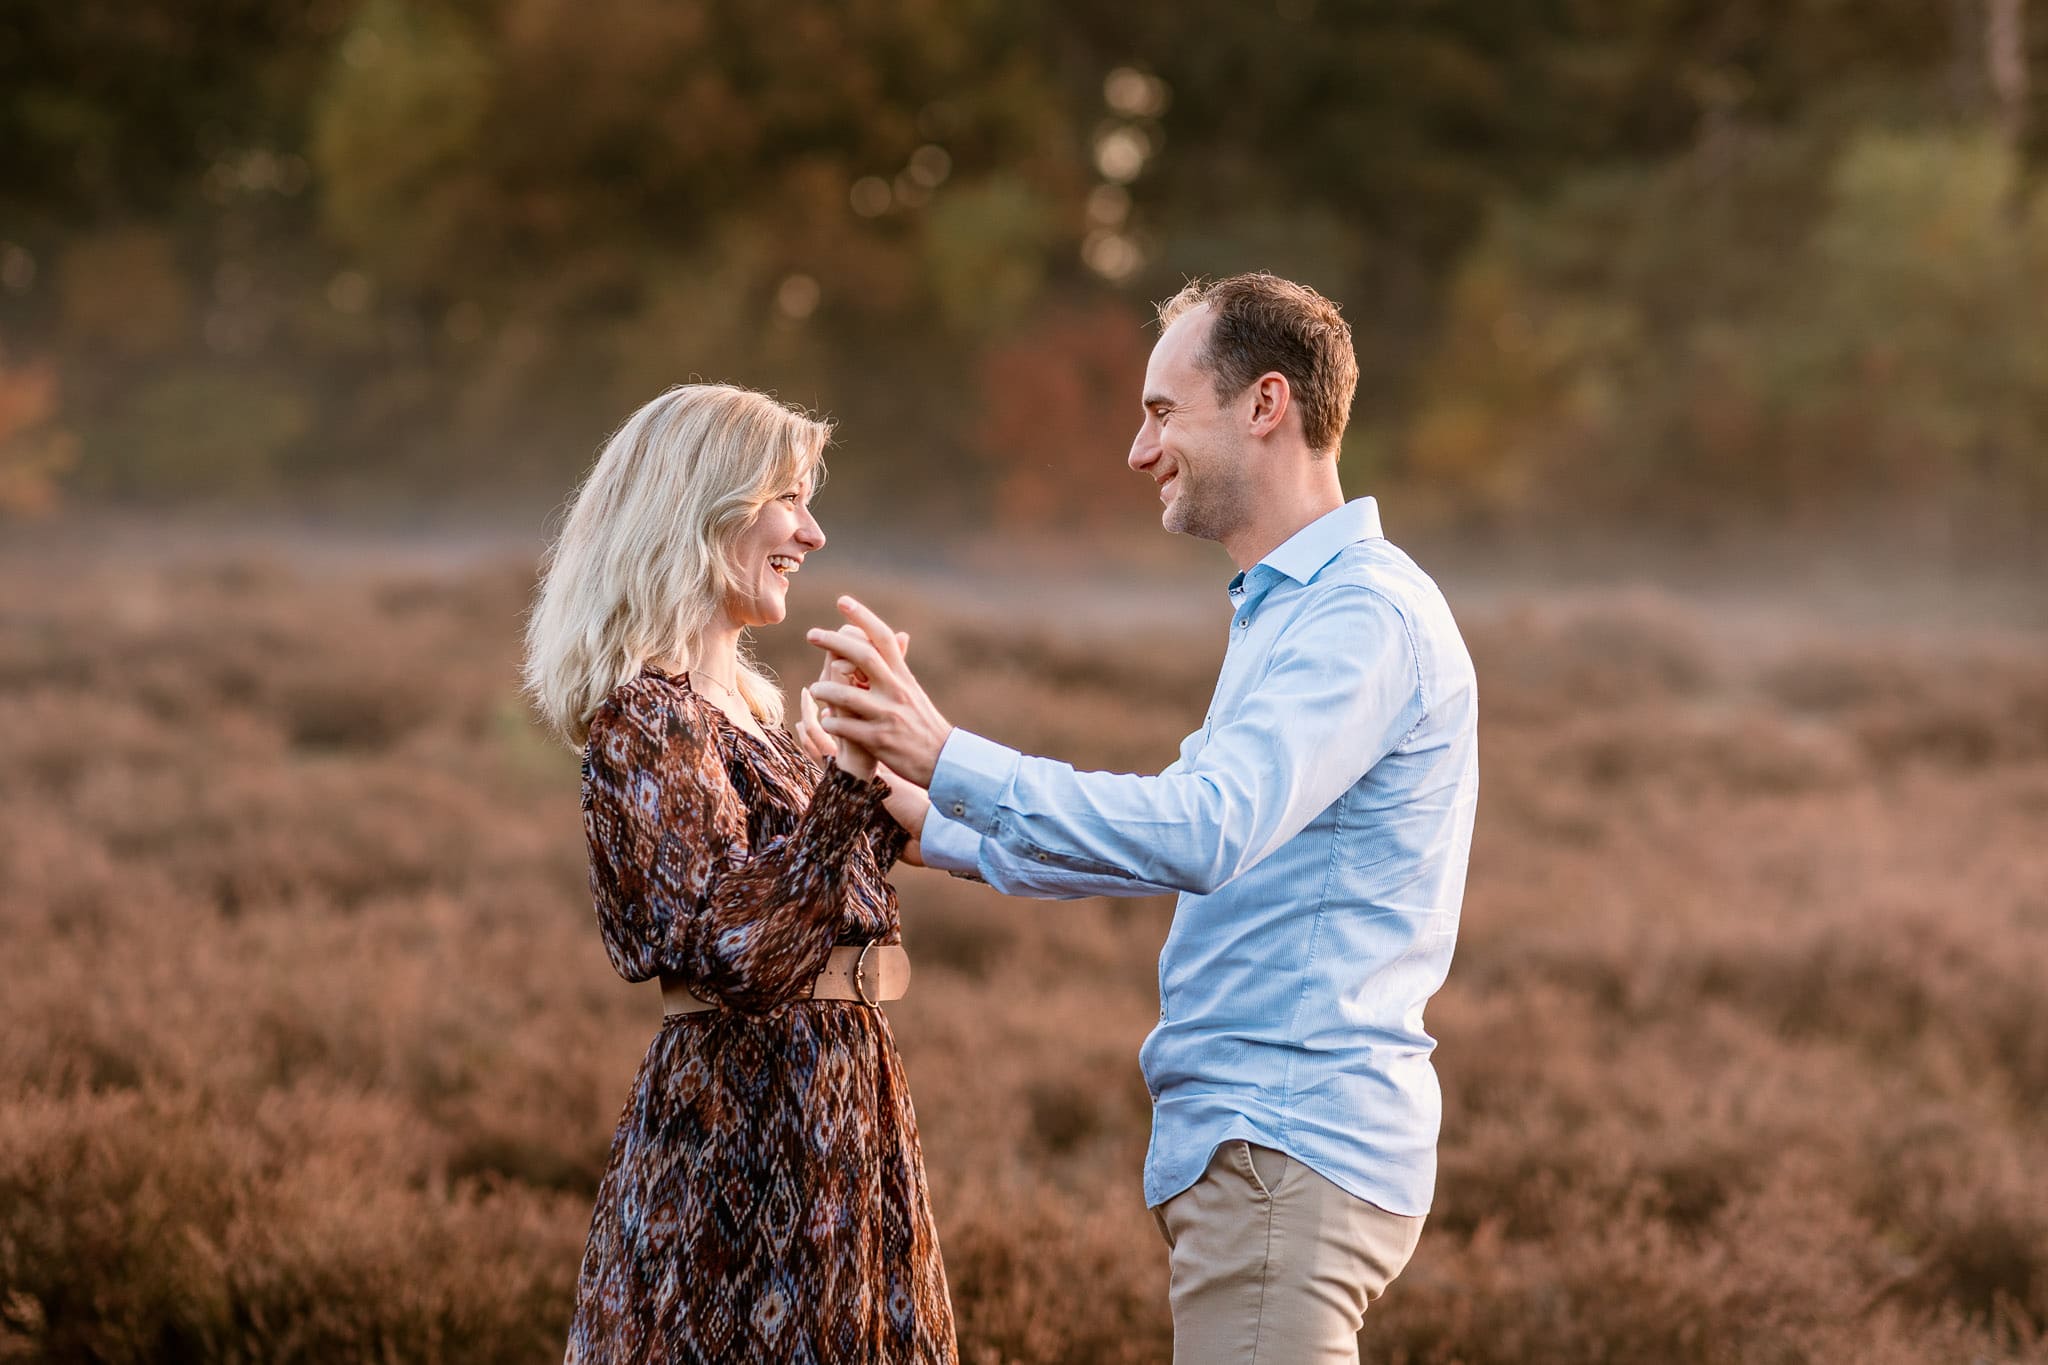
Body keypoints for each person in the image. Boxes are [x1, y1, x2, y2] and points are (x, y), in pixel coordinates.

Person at [808, 274, 1479, 1364]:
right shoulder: (1295, 610)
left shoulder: (1358, 617)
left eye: (1162, 412)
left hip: (1281, 1146)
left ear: (1265, 405)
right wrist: (939, 828)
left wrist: (949, 753)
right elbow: (1175, 841)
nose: (1135, 449)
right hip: (1265, 1154)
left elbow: (1198, 831)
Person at [523, 382, 956, 1364]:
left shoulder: (761, 719)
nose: (811, 531)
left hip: (845, 1109)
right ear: (701, 505)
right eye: (788, 498)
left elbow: (907, 848)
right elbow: (743, 956)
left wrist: (881, 751)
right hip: (744, 1134)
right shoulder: (646, 718)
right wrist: (845, 783)